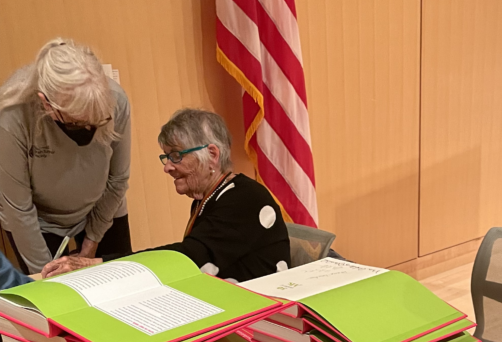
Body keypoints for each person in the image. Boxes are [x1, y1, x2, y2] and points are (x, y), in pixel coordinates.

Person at [42, 108, 290, 283]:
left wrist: (99, 263)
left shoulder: (245, 199)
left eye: (176, 156)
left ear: (212, 155)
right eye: (167, 157)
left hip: (260, 319)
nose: (167, 166)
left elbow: (186, 258)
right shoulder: (212, 197)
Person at [0, 38, 132, 274]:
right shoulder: (12, 115)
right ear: (47, 104)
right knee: (51, 296)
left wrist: (90, 247)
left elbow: (118, 180)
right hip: (37, 221)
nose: (87, 130)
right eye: (76, 122)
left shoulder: (116, 100)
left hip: (101, 208)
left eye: (96, 121)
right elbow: (19, 208)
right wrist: (49, 274)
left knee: (117, 281)